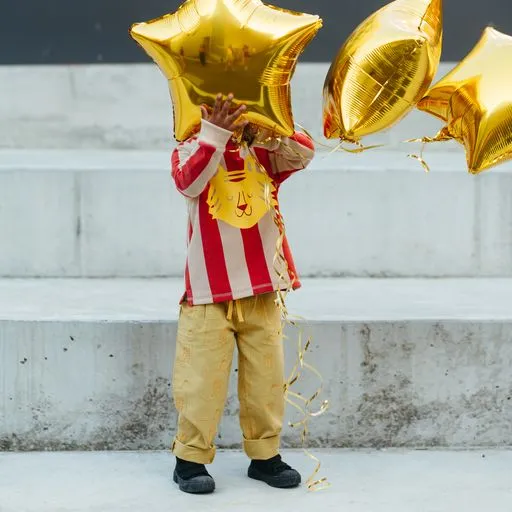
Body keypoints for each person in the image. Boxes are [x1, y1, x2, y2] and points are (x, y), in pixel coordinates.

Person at [171, 93, 315, 494]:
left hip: (262, 288)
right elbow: (190, 181)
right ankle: (190, 458)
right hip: (208, 292)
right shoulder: (190, 148)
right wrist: (214, 134)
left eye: (237, 108)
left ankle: (265, 455)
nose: (231, 116)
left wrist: (272, 121)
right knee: (200, 379)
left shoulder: (263, 152)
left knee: (266, 379)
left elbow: (302, 153)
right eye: (220, 109)